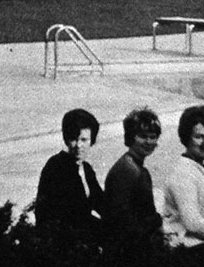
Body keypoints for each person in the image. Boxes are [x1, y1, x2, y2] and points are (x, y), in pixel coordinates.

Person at [162, 105, 204, 252]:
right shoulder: (183, 172)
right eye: (199, 137)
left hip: (203, 244)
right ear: (187, 138)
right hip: (185, 249)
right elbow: (192, 222)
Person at [35, 108, 105, 238]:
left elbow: (100, 202)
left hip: (82, 235)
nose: (78, 145)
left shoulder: (86, 169)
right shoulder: (56, 167)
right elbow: (64, 217)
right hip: (62, 241)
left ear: (92, 141)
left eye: (84, 140)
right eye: (74, 139)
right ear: (66, 139)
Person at [104, 107, 163, 257]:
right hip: (128, 251)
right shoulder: (130, 170)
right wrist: (157, 220)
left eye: (153, 136)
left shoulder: (130, 164)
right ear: (131, 137)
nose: (148, 141)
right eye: (142, 136)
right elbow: (122, 220)